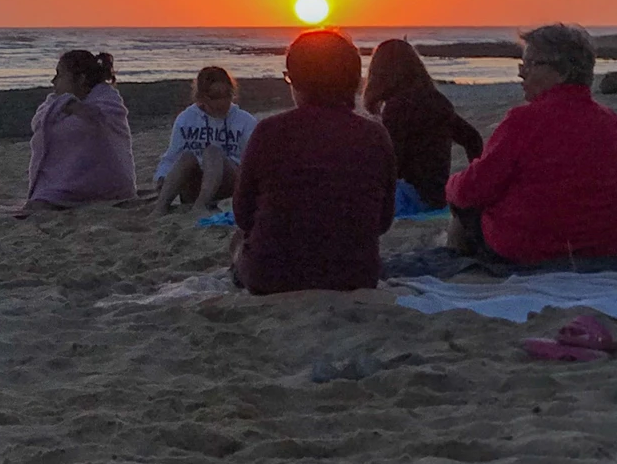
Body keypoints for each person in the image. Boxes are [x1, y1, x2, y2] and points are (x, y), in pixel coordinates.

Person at [445, 23, 617, 264]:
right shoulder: (609, 121)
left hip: (531, 249)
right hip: (601, 247)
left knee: (463, 206)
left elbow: (472, 190)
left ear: (562, 72)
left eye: (531, 64)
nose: (522, 73)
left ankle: (455, 259)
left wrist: (451, 184)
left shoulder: (524, 121)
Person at [231, 30, 397, 293]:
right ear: (353, 81)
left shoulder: (268, 131)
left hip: (271, 276)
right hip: (355, 275)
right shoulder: (375, 135)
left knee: (237, 241)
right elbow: (383, 221)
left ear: (296, 83)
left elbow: (243, 214)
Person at [363, 38, 484, 215]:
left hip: (413, 196)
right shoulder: (438, 101)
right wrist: (476, 182)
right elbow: (473, 139)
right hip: (437, 196)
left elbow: (393, 162)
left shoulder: (397, 107)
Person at [21, 49, 138, 212]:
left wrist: (75, 108)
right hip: (64, 185)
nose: (53, 81)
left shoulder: (108, 103)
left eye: (59, 75)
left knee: (38, 207)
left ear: (81, 79)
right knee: (38, 205)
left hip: (110, 188)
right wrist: (66, 105)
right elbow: (39, 123)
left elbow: (98, 124)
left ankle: (73, 192)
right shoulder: (54, 105)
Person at [154, 66, 257, 216]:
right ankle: (160, 208)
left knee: (212, 151)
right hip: (194, 185)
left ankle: (200, 206)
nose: (223, 102)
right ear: (202, 97)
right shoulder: (187, 119)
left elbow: (253, 162)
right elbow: (172, 155)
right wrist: (161, 176)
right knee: (187, 156)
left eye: (227, 95)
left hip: (229, 182)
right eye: (215, 96)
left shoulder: (244, 121)